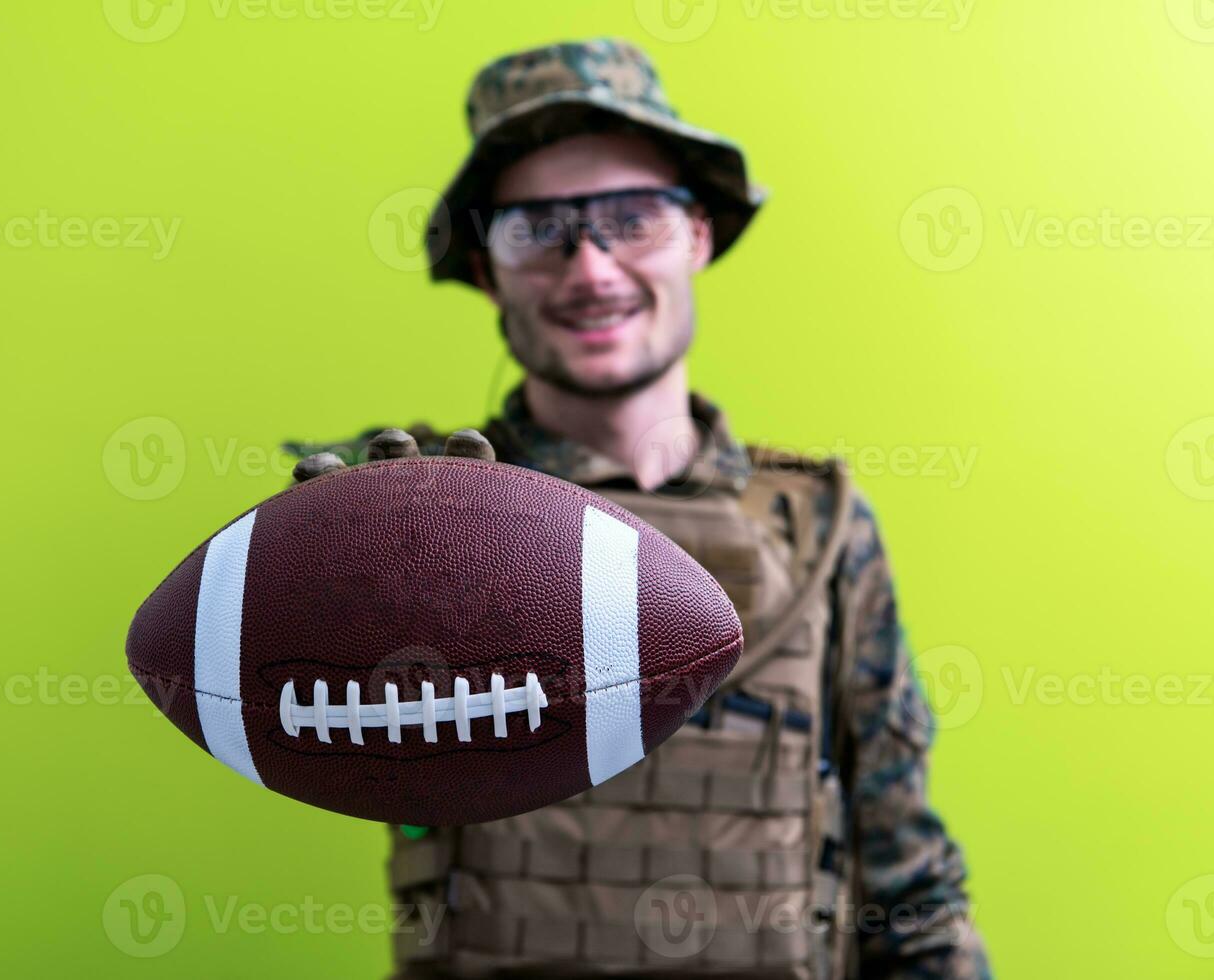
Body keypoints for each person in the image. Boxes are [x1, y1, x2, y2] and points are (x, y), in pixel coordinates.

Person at [289, 38, 990, 979]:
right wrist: (323, 581)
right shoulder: (420, 520)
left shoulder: (821, 531)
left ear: (698, 234)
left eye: (633, 218)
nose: (591, 268)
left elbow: (910, 888)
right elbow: (309, 711)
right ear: (490, 268)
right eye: (538, 228)